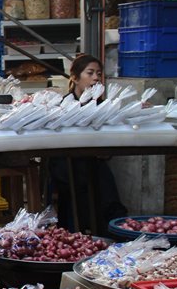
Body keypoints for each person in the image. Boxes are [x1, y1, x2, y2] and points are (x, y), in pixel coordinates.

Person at [49, 54, 126, 233]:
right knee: (80, 176)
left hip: (91, 162)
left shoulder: (103, 106)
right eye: (90, 73)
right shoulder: (62, 105)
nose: (96, 78)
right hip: (66, 164)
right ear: (75, 78)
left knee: (100, 176)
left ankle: (106, 227)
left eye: (98, 74)